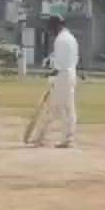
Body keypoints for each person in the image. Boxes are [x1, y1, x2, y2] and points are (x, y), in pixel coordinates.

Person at [31, 11, 79, 148]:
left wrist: (52, 76)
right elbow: (73, 59)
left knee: (53, 108)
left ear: (56, 26)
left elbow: (58, 64)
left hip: (62, 76)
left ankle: (42, 137)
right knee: (68, 108)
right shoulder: (71, 38)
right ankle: (66, 138)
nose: (51, 31)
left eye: (51, 28)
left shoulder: (60, 40)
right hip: (71, 74)